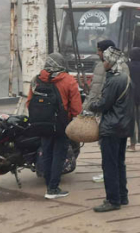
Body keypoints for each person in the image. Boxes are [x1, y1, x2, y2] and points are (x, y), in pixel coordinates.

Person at [27, 53, 82, 199]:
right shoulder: (68, 80)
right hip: (61, 124)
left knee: (46, 153)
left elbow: (29, 102)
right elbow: (76, 108)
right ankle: (53, 188)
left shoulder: (37, 79)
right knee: (59, 154)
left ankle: (47, 185)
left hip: (41, 124)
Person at [89, 47, 134, 213]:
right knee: (119, 163)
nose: (104, 62)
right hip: (123, 127)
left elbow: (104, 104)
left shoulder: (114, 81)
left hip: (111, 128)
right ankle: (122, 195)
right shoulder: (126, 78)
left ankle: (113, 200)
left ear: (112, 61)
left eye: (106, 60)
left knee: (109, 165)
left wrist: (92, 105)